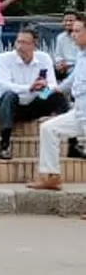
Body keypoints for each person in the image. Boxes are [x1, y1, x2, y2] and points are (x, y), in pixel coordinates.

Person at [0, 26, 68, 160]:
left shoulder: (44, 58)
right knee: (10, 95)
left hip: (34, 102)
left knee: (58, 96)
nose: (20, 46)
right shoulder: (4, 58)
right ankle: (5, 145)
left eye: (24, 43)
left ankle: (73, 143)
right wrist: (29, 88)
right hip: (6, 104)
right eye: (18, 42)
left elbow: (53, 84)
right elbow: (4, 85)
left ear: (34, 45)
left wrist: (44, 87)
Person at [27, 20, 86, 190]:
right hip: (80, 112)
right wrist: (43, 94)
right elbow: (66, 84)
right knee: (49, 129)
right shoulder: (81, 56)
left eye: (78, 31)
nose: (73, 35)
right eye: (72, 31)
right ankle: (52, 176)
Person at [54, 11, 81, 80]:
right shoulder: (60, 37)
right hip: (63, 68)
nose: (68, 23)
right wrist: (60, 63)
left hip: (78, 68)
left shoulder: (83, 37)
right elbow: (58, 55)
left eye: (71, 20)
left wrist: (68, 65)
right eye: (65, 20)